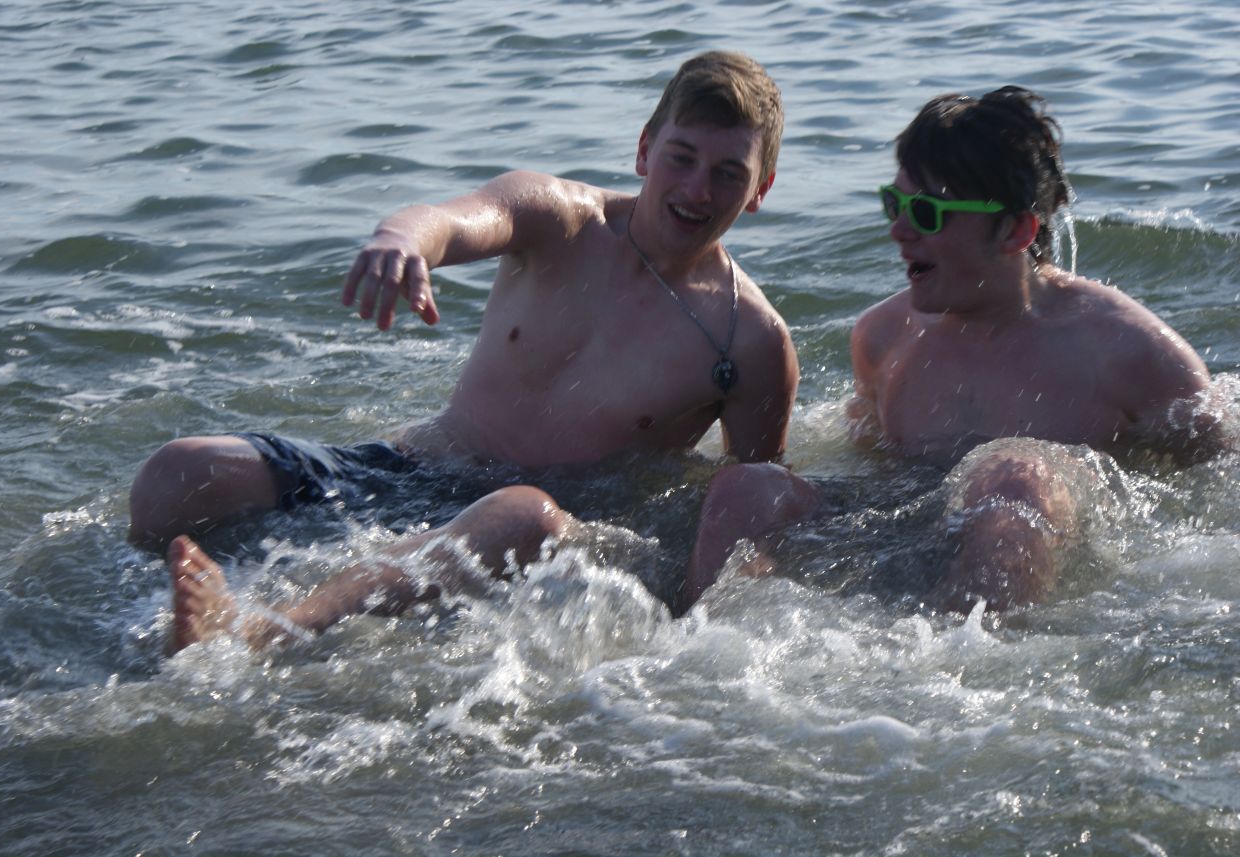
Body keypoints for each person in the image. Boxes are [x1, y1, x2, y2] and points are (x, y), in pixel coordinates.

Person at [148, 51, 797, 651]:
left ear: (760, 189)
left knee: (523, 513)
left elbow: (745, 507)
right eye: (682, 158)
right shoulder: (562, 219)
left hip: (551, 531)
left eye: (728, 173)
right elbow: (455, 219)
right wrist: (401, 239)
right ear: (645, 150)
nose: (697, 189)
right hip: (402, 471)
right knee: (177, 472)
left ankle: (265, 629)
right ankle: (156, 608)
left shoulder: (749, 340)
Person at [679, 86, 1225, 615]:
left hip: (1024, 552)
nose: (898, 230)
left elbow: (1216, 487)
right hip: (899, 533)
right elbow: (863, 462)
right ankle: (695, 650)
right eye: (895, 204)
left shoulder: (1127, 352)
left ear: (1015, 230)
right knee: (745, 489)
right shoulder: (885, 338)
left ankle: (970, 660)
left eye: (926, 213)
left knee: (1015, 478)